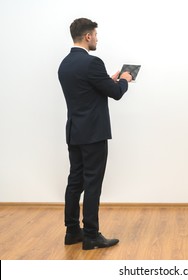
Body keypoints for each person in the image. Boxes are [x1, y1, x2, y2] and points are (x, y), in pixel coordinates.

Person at [58, 18, 132, 250]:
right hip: (93, 134)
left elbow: (87, 91)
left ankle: (72, 231)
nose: (97, 39)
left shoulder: (64, 64)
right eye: (96, 35)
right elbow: (116, 93)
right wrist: (124, 80)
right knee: (92, 184)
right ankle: (91, 235)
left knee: (75, 181)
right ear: (88, 36)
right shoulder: (92, 63)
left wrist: (107, 80)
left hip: (74, 131)